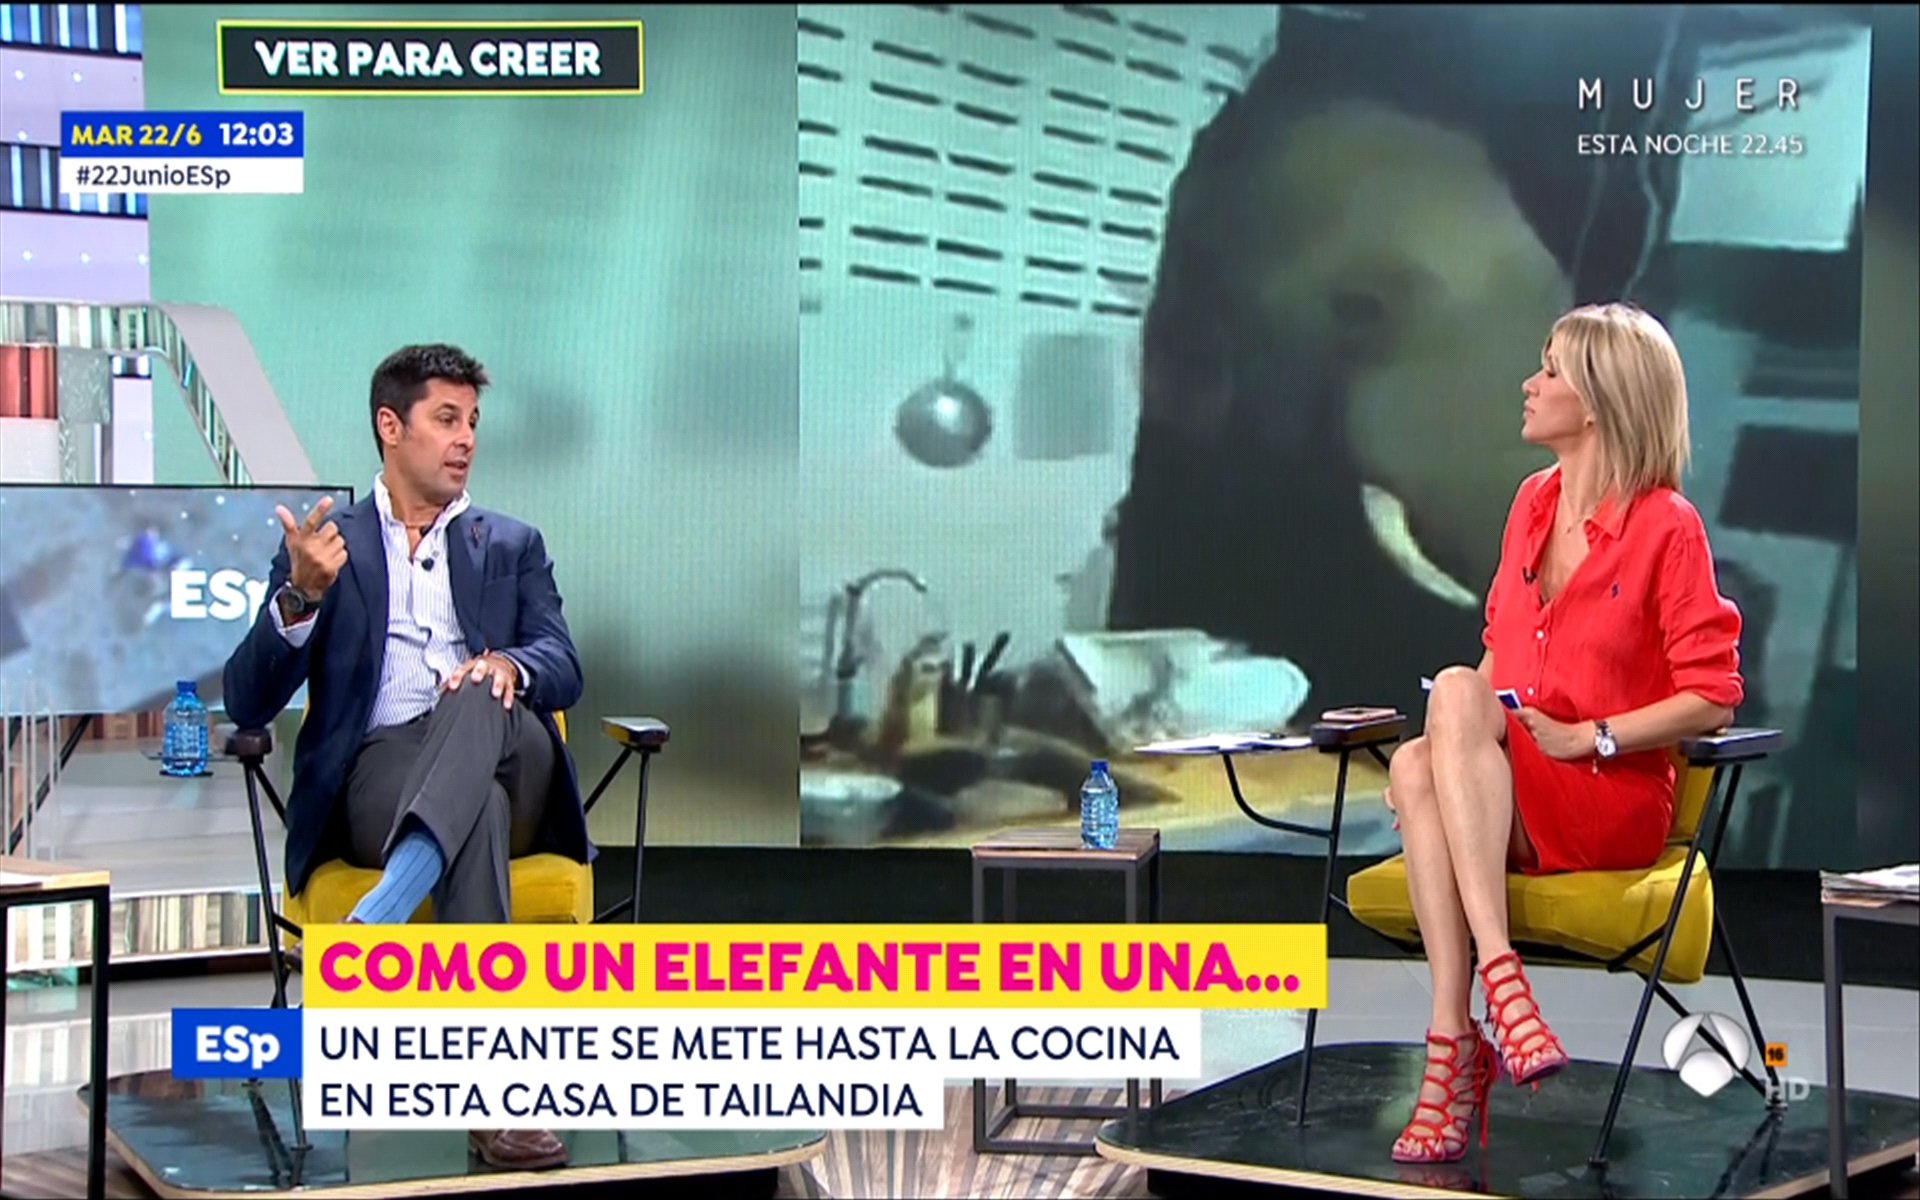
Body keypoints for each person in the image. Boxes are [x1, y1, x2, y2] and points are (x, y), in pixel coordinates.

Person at [1381, 303, 1745, 1164]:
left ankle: (1475, 1018)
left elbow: (1713, 697)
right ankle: (1469, 1023)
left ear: (1599, 401)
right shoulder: (1530, 504)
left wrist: (1594, 738)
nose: (1529, 384)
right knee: (1421, 756)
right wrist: (1446, 761)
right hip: (1511, 792)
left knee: (1437, 731)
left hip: (1606, 798)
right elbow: (1496, 651)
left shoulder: (1667, 527)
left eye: (1550, 371)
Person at [222, 344, 586, 1172]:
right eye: (446, 419)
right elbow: (246, 700)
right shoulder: (327, 548)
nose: (466, 440)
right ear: (391, 427)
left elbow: (563, 664)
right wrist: (300, 596)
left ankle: (383, 912)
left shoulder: (512, 543)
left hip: (512, 748)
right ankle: (497, 1100)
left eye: (472, 423)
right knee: (475, 810)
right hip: (383, 773)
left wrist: (509, 664)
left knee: (477, 690)